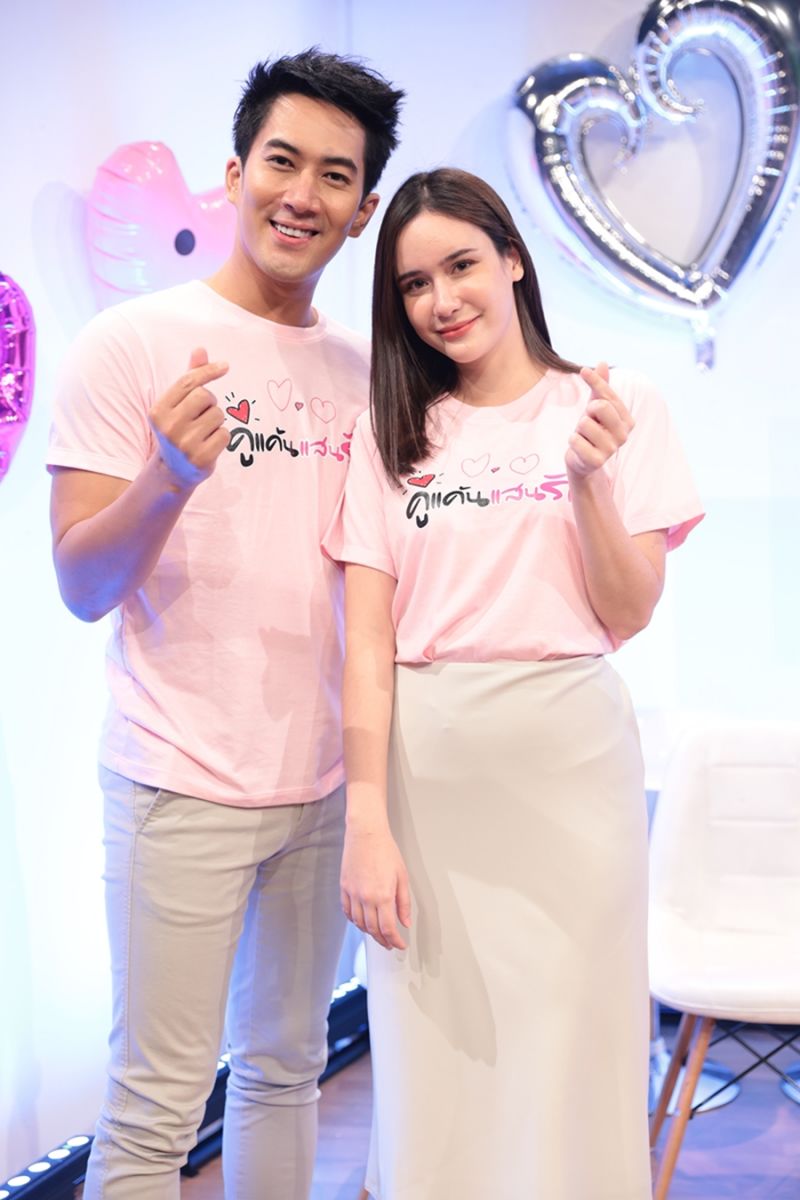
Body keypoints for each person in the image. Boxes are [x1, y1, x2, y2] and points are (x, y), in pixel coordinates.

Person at [47, 50, 403, 1200]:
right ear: (236, 173)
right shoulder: (131, 342)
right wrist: (165, 476)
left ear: (363, 209)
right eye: (281, 162)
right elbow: (81, 585)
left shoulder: (366, 374)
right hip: (177, 779)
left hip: (322, 786)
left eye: (334, 176)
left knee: (286, 1073)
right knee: (156, 1106)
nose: (302, 194)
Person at [326, 168, 704, 1200]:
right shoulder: (389, 431)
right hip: (429, 779)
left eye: (460, 266)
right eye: (413, 284)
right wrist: (365, 821)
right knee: (435, 1060)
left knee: (573, 1045)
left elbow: (626, 611)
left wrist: (584, 482)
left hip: (570, 773)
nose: (441, 300)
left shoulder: (613, 406)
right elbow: (365, 645)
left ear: (513, 261)